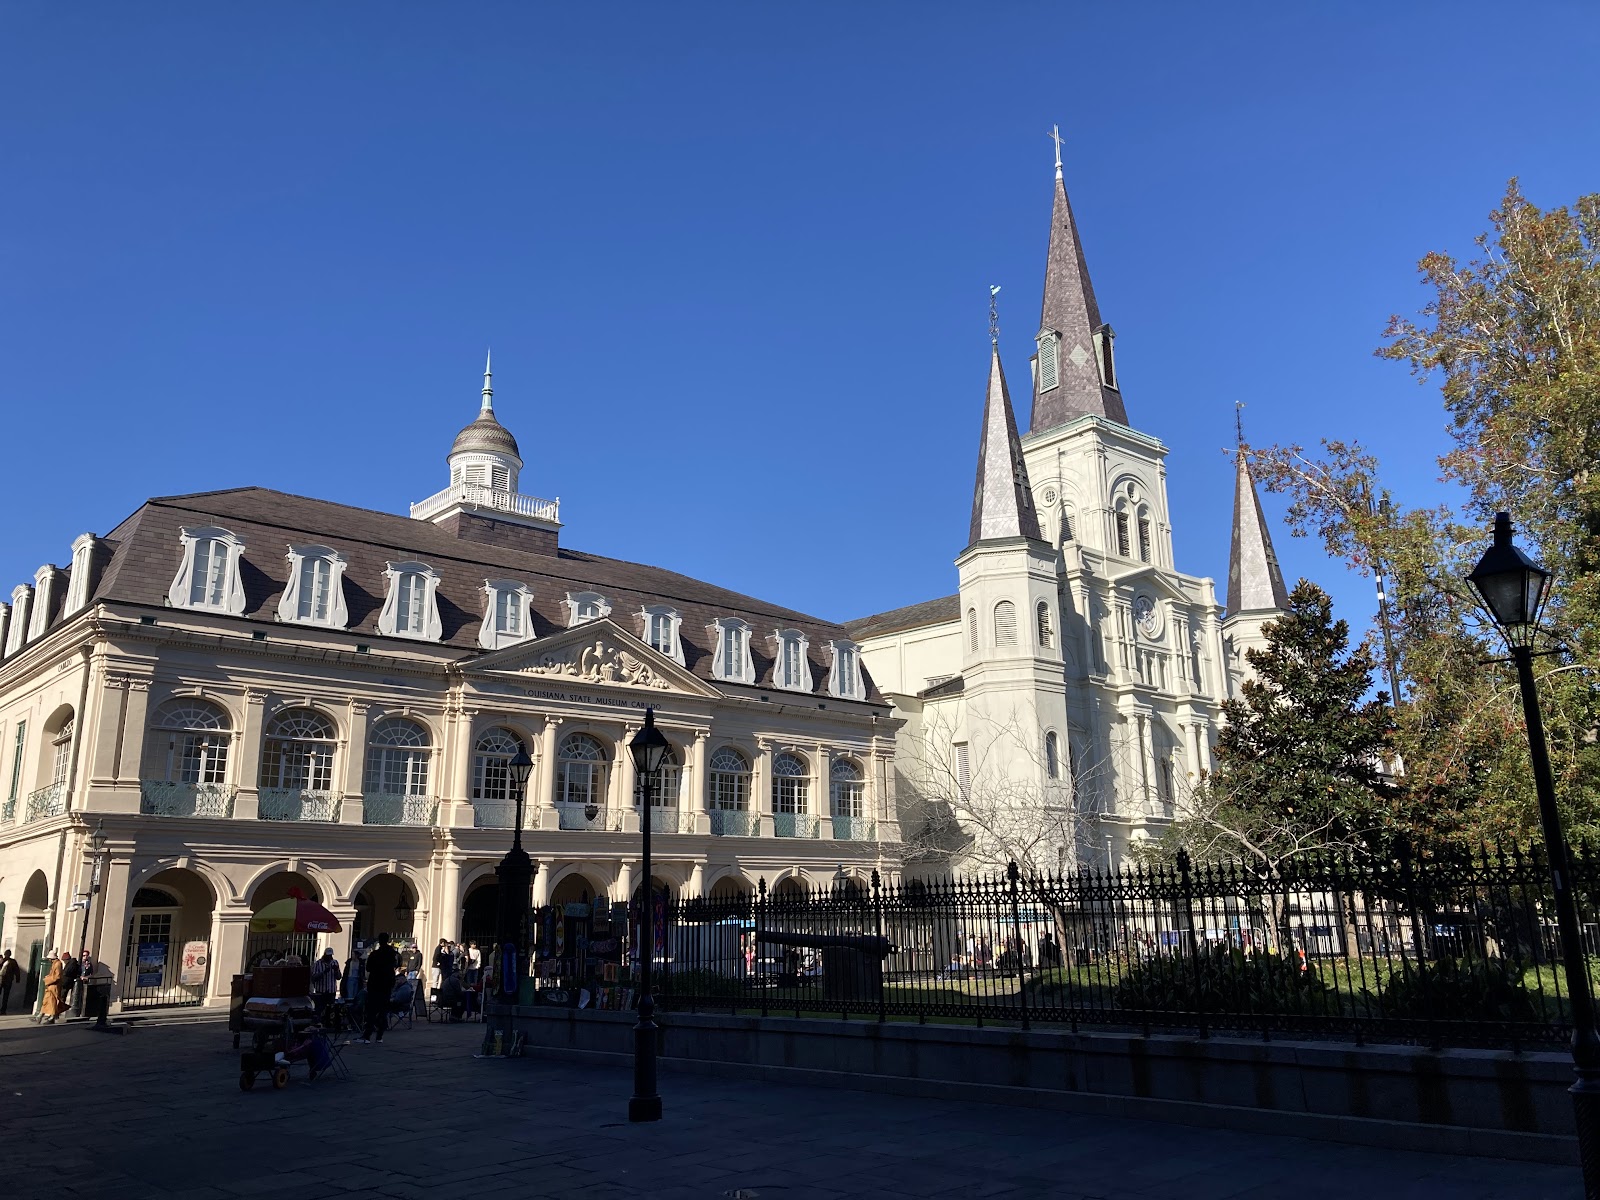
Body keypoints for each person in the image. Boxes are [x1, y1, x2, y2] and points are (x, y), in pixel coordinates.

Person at [359, 934, 400, 1044]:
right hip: (386, 985)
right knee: (383, 1011)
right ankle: (379, 1036)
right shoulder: (392, 954)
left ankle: (367, 1035)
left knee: (372, 1010)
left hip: (375, 984)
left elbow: (368, 967)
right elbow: (396, 965)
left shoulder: (375, 954)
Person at [311, 947, 342, 1022]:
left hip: (331, 990)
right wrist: (324, 972)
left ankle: (328, 1022)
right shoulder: (318, 964)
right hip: (321, 990)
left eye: (330, 956)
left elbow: (339, 977)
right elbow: (314, 978)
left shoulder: (335, 962)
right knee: (320, 1008)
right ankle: (320, 1022)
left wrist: (336, 970)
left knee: (330, 1009)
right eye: (328, 956)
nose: (329, 957)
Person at [38, 953, 65, 1024]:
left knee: (52, 1001)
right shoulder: (55, 963)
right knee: (46, 1001)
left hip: (54, 986)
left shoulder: (58, 964)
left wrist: (48, 979)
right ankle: (41, 1015)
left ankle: (51, 1016)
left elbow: (57, 976)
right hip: (51, 986)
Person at [57, 950, 82, 1014]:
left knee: (62, 997)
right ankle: (58, 1011)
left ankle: (59, 1011)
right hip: (66, 982)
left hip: (66, 983)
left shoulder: (71, 964)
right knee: (62, 997)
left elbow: (66, 973)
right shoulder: (71, 964)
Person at [0, 950, 19, 1014]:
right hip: (8, 980)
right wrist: (17, 979)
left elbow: (17, 971)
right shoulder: (13, 961)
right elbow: (17, 971)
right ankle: (3, 1010)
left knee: (5, 996)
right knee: (6, 996)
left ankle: (3, 1010)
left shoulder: (3, 960)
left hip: (2, 980)